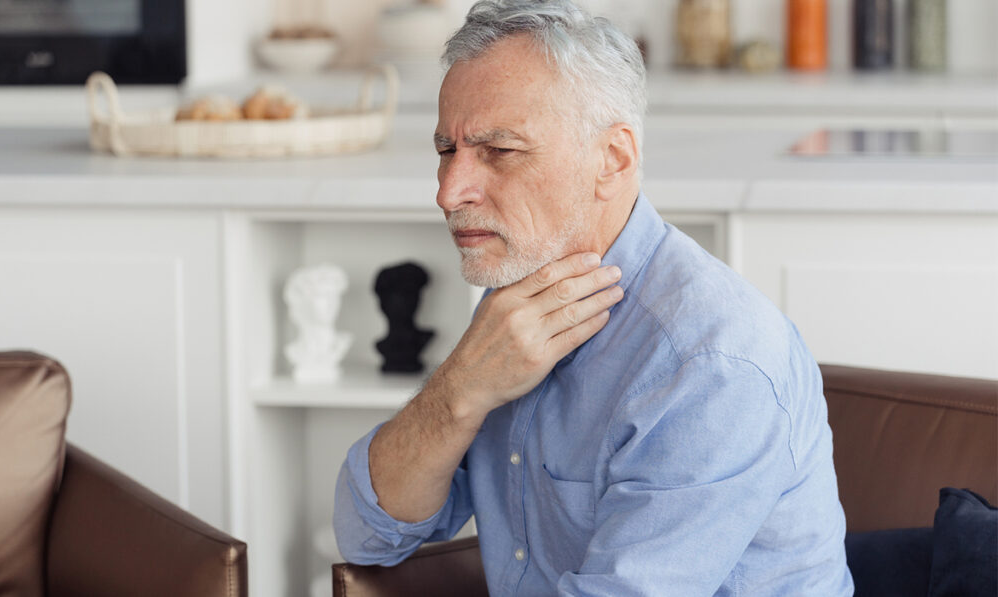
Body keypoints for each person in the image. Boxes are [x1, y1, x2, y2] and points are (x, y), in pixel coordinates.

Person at [334, 1, 854, 594]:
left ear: (613, 159)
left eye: (499, 151)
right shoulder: (518, 299)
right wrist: (459, 390)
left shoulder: (713, 362)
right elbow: (366, 534)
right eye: (447, 151)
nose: (449, 192)